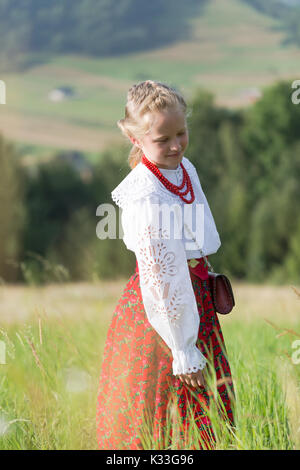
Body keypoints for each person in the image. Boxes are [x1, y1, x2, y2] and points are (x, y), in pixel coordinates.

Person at [96, 80, 235, 450]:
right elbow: (162, 277)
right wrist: (183, 350)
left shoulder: (182, 167)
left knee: (205, 412)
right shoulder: (146, 195)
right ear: (136, 139)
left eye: (181, 133)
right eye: (162, 139)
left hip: (195, 301)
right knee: (163, 413)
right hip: (163, 314)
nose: (175, 145)